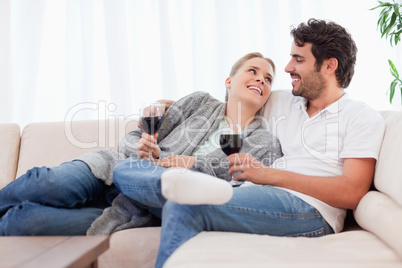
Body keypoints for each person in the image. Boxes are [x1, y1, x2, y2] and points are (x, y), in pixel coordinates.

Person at [111, 18, 385, 267]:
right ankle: (170, 184)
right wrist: (163, 106)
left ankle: (172, 186)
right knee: (125, 168)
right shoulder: (284, 101)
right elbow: (229, 101)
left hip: (310, 210)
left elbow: (352, 192)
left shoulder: (361, 117)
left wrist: (270, 175)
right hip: (255, 191)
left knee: (184, 204)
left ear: (329, 65)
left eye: (298, 60)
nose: (288, 68)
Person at [0, 52, 281, 236]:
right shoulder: (198, 102)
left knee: (22, 223)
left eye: (268, 79)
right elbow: (142, 133)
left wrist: (193, 164)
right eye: (253, 71)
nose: (261, 79)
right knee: (43, 182)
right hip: (112, 169)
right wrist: (143, 148)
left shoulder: (263, 141)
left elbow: (238, 186)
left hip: (136, 208)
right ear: (229, 81)